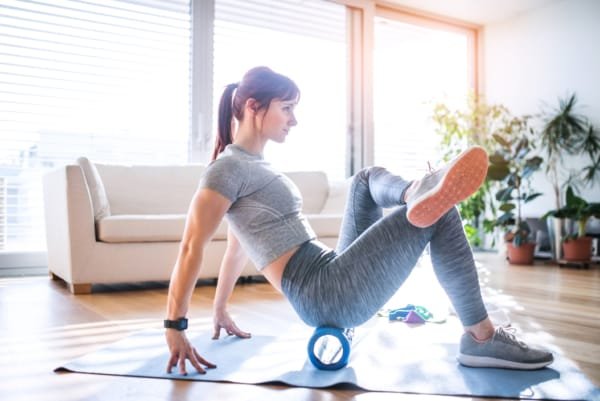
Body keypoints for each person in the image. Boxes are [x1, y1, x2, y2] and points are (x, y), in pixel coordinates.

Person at [164, 66, 553, 375]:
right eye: (287, 108)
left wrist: (219, 310)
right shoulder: (225, 170)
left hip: (328, 274)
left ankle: (414, 191)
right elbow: (190, 246)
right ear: (253, 106)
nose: (294, 120)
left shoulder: (251, 167)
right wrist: (175, 326)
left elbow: (236, 248)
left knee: (366, 179)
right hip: (325, 291)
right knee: (441, 213)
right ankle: (481, 337)